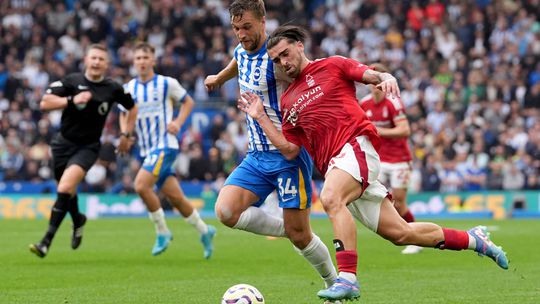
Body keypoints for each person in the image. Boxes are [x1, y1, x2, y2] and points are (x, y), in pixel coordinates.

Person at [238, 25, 509, 302]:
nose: (283, 62)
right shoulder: (288, 100)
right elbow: (290, 150)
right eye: (276, 60)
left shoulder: (333, 65)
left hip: (356, 147)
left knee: (331, 198)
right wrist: (259, 116)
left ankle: (347, 278)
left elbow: (368, 74)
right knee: (401, 233)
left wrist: (385, 76)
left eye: (285, 53)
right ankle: (475, 240)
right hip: (339, 165)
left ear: (299, 46)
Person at [204, 0, 337, 289]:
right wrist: (218, 78)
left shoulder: (278, 59)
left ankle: (334, 281)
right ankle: (287, 228)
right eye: (236, 28)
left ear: (263, 22)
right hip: (256, 156)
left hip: (288, 155)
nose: (241, 33)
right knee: (225, 212)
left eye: (247, 27)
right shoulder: (241, 49)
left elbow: (310, 77)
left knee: (302, 238)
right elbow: (238, 61)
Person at [29, 44, 138, 258]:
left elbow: (132, 108)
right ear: (86, 60)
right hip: (62, 144)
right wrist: (71, 100)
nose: (97, 62)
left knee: (65, 186)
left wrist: (126, 135)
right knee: (66, 191)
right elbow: (44, 103)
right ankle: (78, 219)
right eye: (94, 58)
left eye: (101, 59)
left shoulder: (113, 88)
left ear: (107, 64)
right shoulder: (72, 81)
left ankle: (45, 242)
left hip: (87, 148)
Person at [120, 42, 216, 258]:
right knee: (177, 198)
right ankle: (205, 230)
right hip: (146, 149)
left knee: (141, 185)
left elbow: (188, 102)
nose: (142, 62)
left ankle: (162, 231)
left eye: (146, 57)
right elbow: (123, 113)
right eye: (138, 58)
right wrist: (124, 134)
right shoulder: (128, 88)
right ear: (133, 62)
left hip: (165, 144)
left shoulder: (166, 83)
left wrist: (178, 123)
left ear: (153, 60)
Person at [359, 63, 421, 254]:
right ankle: (396, 231)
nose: (375, 87)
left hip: (400, 159)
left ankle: (415, 238)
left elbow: (405, 130)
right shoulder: (365, 104)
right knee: (383, 198)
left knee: (400, 202)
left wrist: (378, 131)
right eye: (372, 82)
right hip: (379, 159)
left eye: (378, 82)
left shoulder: (393, 103)